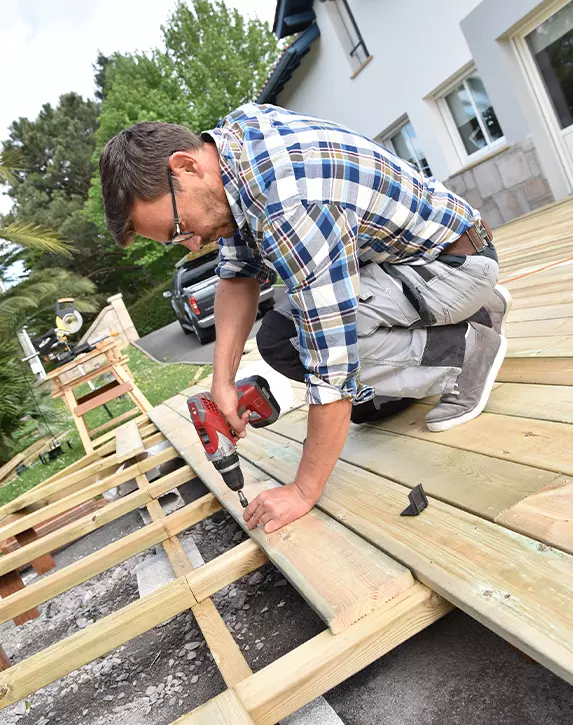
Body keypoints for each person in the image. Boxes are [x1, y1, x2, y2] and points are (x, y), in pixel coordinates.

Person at [99, 103, 511, 534]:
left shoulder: (288, 201)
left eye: (179, 228)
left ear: (185, 166)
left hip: (453, 266)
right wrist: (221, 381)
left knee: (310, 346)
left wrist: (302, 490)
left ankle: (464, 355)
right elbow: (239, 276)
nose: (191, 244)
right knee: (281, 340)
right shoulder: (236, 149)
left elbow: (331, 361)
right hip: (428, 257)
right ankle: (475, 311)